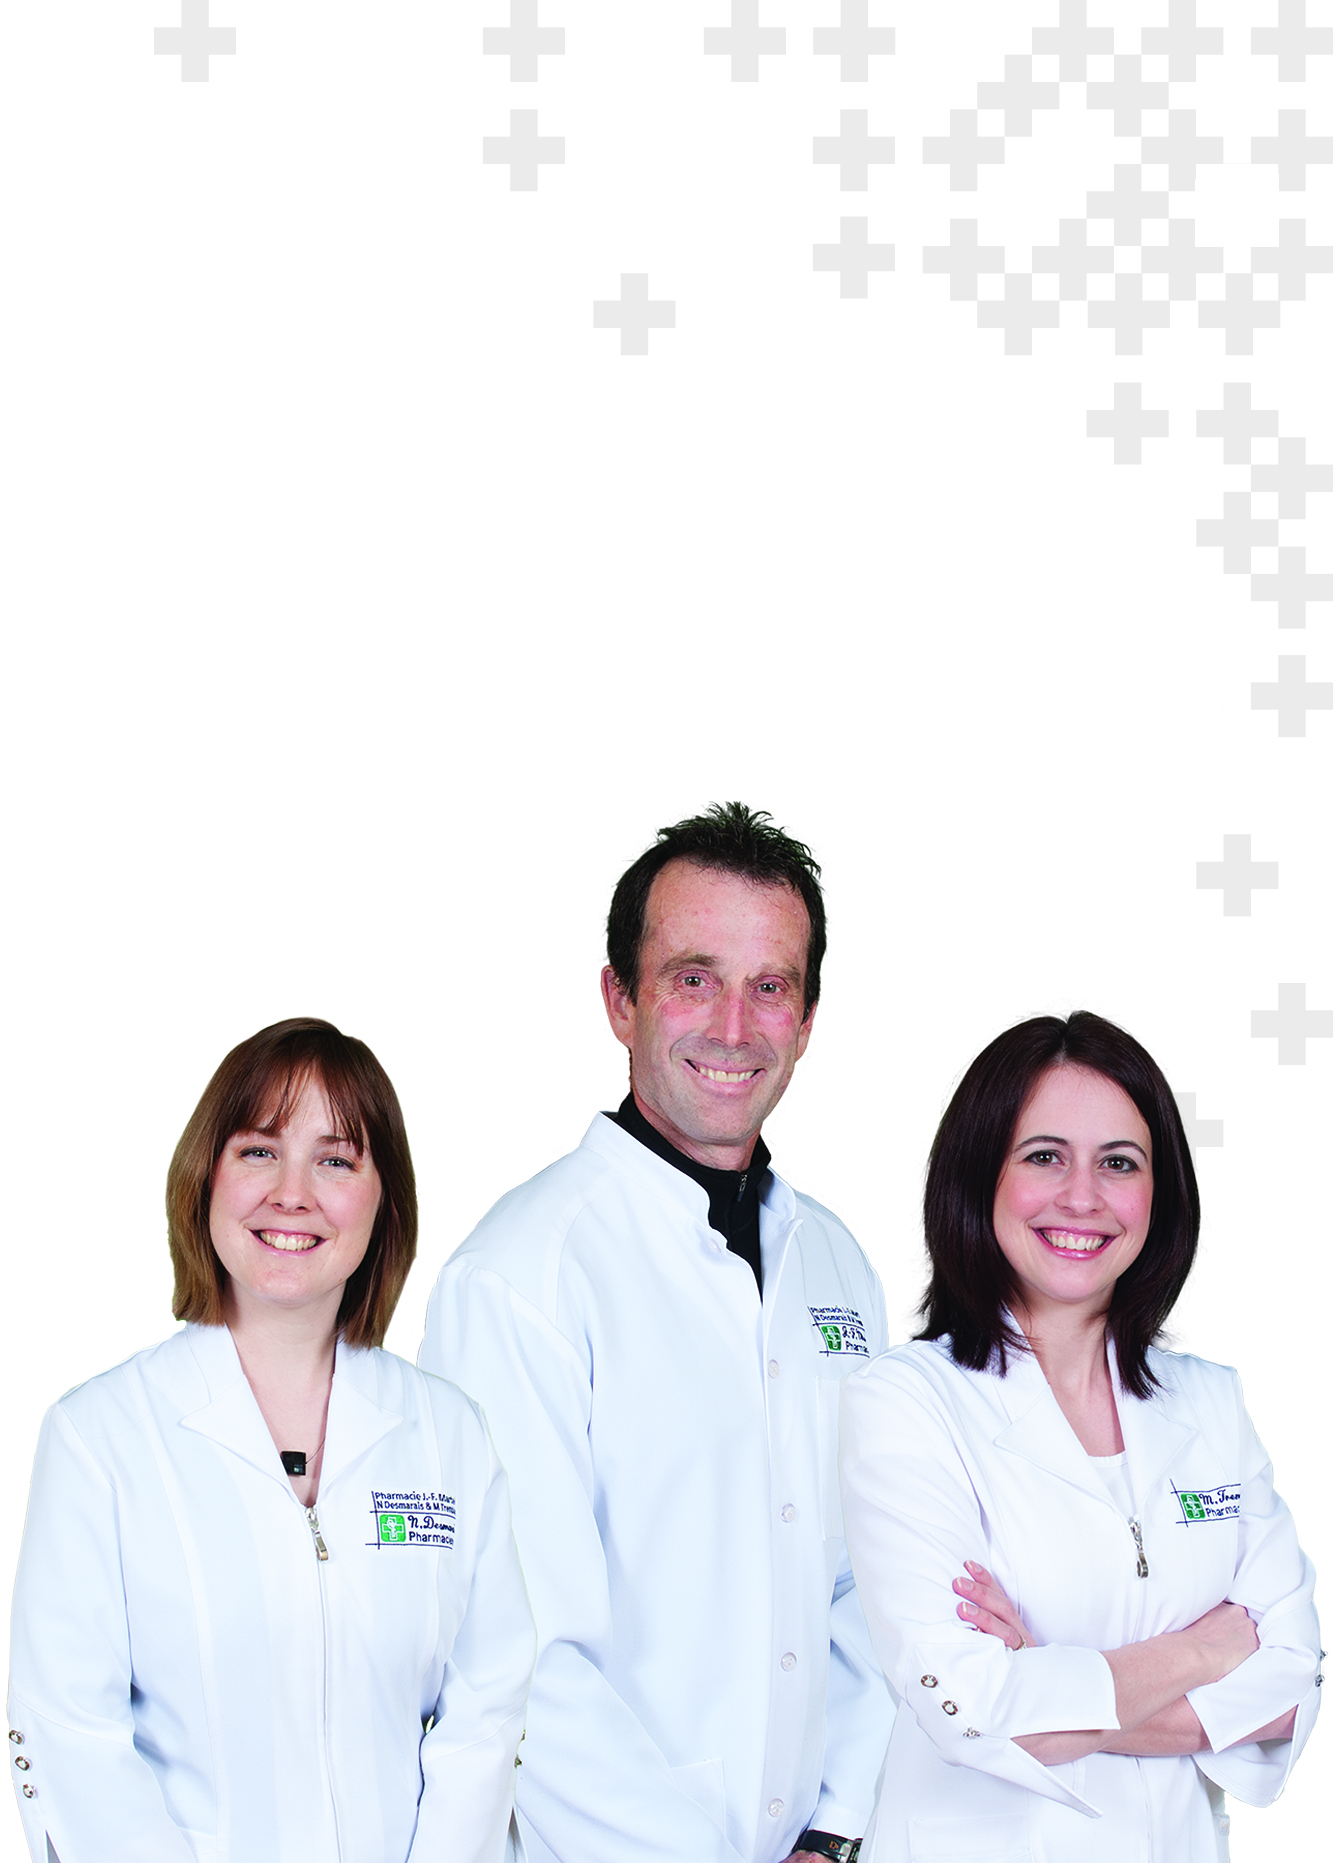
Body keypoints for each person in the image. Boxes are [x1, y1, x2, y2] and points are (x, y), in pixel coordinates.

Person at [419, 803, 893, 1863]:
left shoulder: (836, 1264)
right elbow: (522, 1656)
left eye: (770, 986)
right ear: (618, 999)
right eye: (692, 978)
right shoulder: (520, 1275)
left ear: (807, 1018)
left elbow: (868, 1584)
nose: (733, 1026)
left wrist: (833, 1831)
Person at [8, 1018, 534, 1863]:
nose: (293, 1194)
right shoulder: (100, 1437)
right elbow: (70, 1731)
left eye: (336, 1159)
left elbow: (488, 1705)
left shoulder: (447, 1435)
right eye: (259, 1150)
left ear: (383, 1200)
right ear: (205, 1176)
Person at [839, 1011, 1321, 1863]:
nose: (1081, 1196)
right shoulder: (907, 1402)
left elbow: (1291, 1686)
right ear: (978, 1173)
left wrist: (1049, 1677)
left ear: (1159, 1192)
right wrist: (1205, 1649)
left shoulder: (1211, 1403)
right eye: (1043, 1155)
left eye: (1118, 1162)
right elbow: (969, 1706)